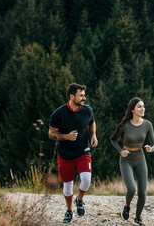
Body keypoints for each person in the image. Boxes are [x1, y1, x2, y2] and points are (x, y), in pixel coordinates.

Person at [49, 83, 98, 223]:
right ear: (72, 96)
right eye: (81, 95)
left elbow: (92, 122)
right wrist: (66, 136)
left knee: (86, 179)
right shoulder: (59, 113)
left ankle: (80, 199)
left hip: (83, 151)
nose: (84, 98)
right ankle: (69, 211)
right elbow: (51, 133)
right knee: (68, 185)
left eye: (84, 95)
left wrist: (93, 135)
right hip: (65, 154)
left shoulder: (87, 110)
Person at [110, 97, 154, 226]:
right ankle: (127, 205)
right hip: (126, 159)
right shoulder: (125, 125)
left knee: (142, 192)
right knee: (131, 189)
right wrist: (120, 151)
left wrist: (150, 149)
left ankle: (137, 217)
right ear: (132, 110)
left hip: (140, 158)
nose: (143, 109)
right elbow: (113, 139)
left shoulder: (147, 124)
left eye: (143, 106)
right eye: (139, 107)